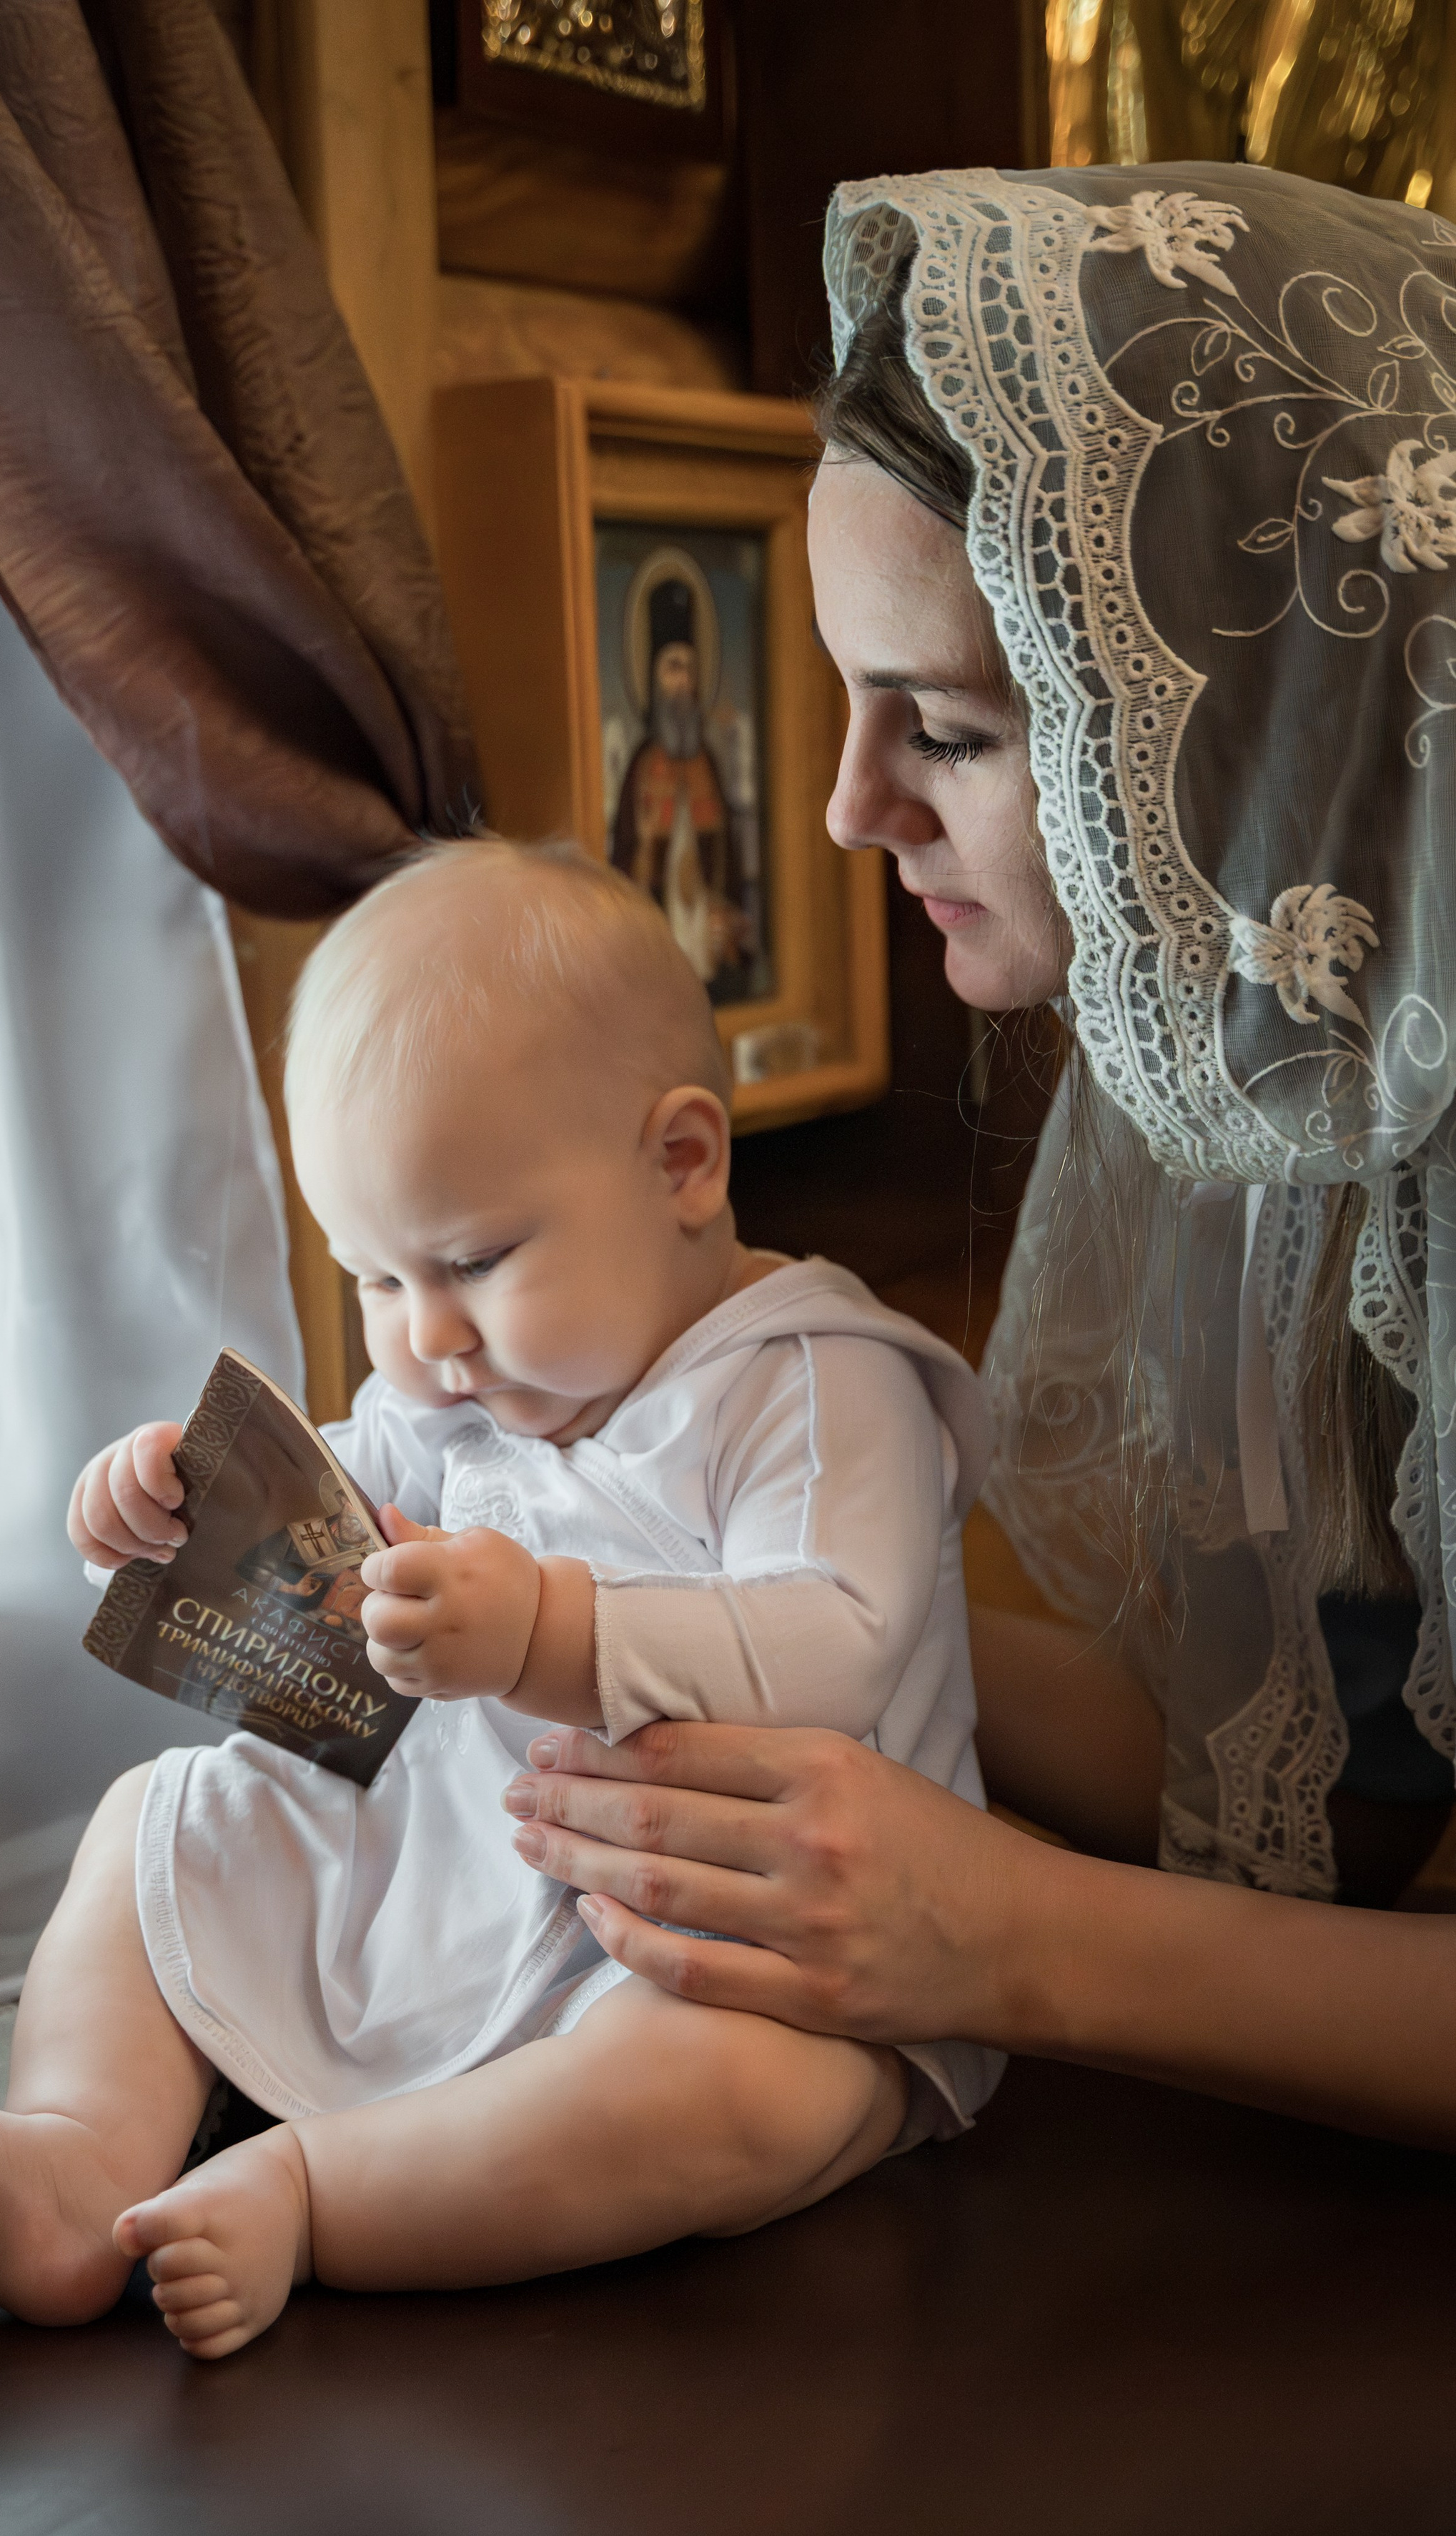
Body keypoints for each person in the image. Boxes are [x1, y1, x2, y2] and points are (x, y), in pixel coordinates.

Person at [495, 164, 1456, 2152]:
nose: (850, 810)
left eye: (944, 727)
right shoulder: (1266, 1066)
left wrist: (999, 1935)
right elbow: (1311, 1781)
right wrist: (705, 1585)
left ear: (1227, 730)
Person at [0, 838, 1001, 2355]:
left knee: (754, 2096)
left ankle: (316, 2192)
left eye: (472, 1258)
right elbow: (321, 1521)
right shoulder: (458, 1387)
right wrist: (168, 1517)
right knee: (157, 1819)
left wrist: (548, 1634)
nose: (425, 1337)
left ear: (682, 1162)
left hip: (724, 1940)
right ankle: (79, 2153)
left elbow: (839, 1641)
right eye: (372, 1278)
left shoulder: (811, 1384)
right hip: (452, 1864)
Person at [611, 575, 751, 989]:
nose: (683, 683)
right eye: (673, 668)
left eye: (689, 669)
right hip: (660, 923)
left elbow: (728, 853)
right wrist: (647, 843)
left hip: (707, 928)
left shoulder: (707, 760)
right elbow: (623, 858)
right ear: (654, 677)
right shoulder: (640, 765)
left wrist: (725, 908)